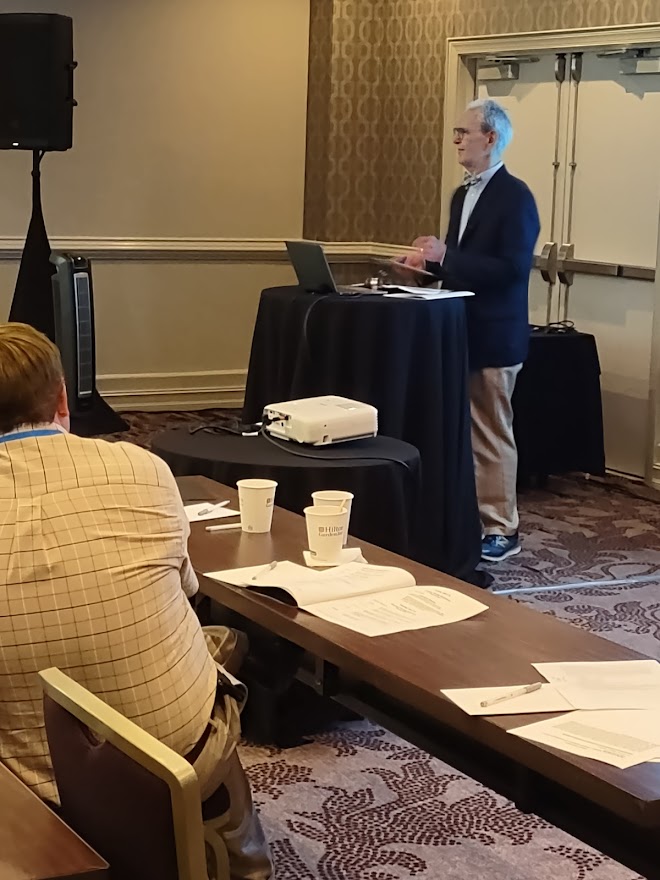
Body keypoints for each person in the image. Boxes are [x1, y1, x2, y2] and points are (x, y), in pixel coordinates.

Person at [0, 322, 272, 879]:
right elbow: (185, 593)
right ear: (61, 400)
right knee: (214, 651)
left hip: (28, 781)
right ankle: (237, 854)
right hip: (174, 761)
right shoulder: (143, 467)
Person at [401, 98, 540, 563]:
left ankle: (502, 528)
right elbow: (460, 265)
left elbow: (511, 270)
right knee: (462, 431)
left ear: (491, 138)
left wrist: (446, 256)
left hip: (495, 336)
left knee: (491, 433)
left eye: (464, 133)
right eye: (456, 134)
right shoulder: (462, 195)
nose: (457, 141)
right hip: (459, 331)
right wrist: (423, 267)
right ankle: (469, 517)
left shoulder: (515, 197)